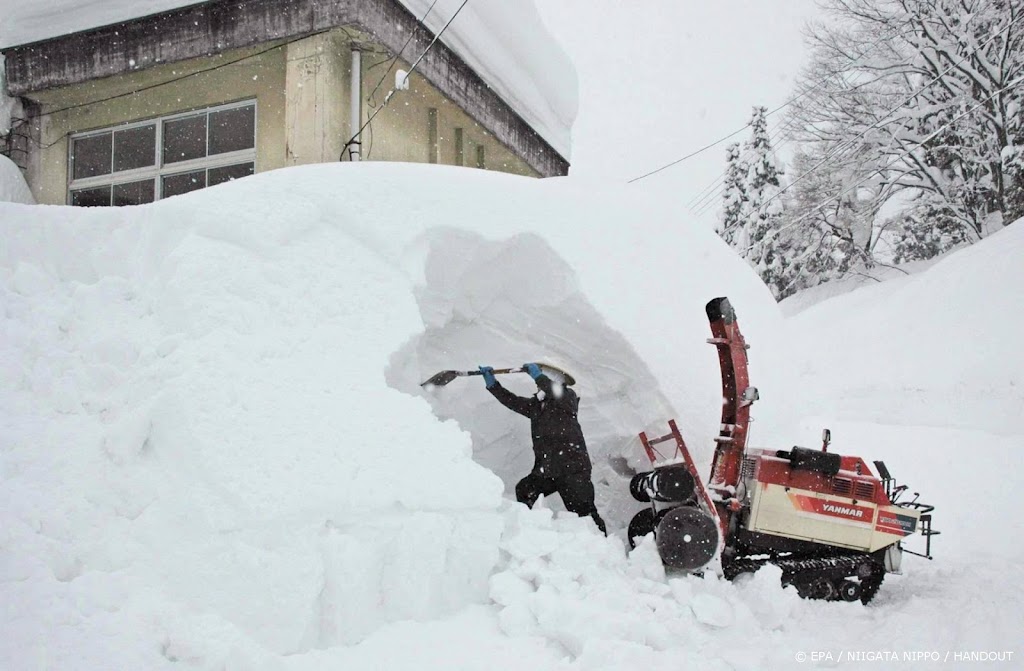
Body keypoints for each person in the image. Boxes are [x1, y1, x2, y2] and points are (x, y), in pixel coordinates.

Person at [479, 362, 607, 535]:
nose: (537, 382)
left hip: (573, 470)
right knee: (524, 490)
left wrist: (538, 376)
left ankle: (603, 548)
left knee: (585, 514)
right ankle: (530, 532)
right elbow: (512, 401)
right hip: (548, 471)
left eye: (543, 376)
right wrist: (493, 384)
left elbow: (553, 391)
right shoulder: (537, 406)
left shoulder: (568, 398)